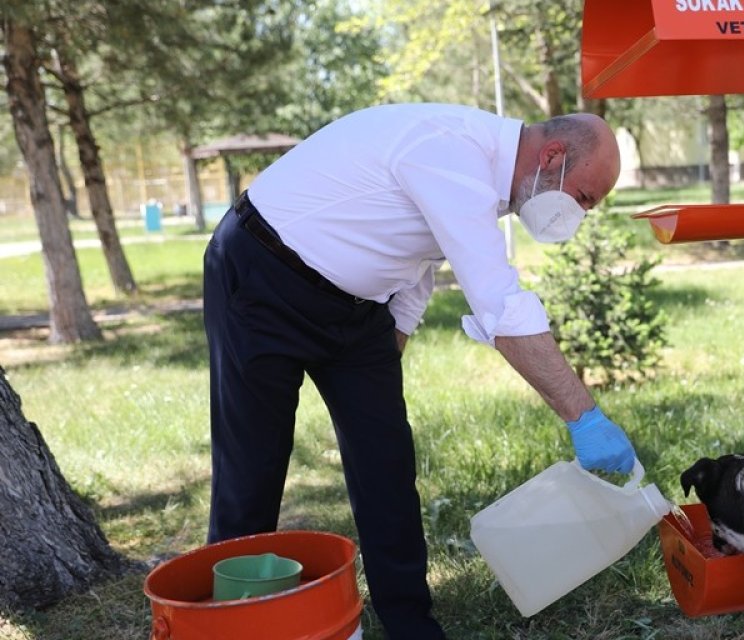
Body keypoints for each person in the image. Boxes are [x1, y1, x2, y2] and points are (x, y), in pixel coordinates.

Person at [202, 104, 638, 639]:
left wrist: (383, 365)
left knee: (386, 463)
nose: (580, 214)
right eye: (584, 197)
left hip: (358, 310)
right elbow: (500, 307)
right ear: (552, 156)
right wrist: (584, 417)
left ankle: (411, 624)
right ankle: (229, 622)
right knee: (253, 464)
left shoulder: (491, 180)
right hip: (263, 271)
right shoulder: (454, 152)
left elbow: (419, 259)